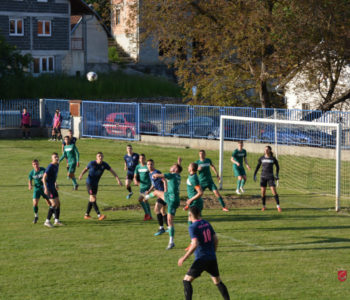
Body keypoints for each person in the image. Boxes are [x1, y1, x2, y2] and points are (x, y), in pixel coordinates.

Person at [178, 206, 230, 300]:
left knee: (186, 281)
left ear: (190, 215)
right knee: (217, 282)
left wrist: (184, 257)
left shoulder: (193, 227)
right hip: (211, 257)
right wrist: (213, 252)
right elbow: (216, 239)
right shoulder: (206, 223)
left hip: (201, 258)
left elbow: (194, 244)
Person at [147, 157, 182, 250]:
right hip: (176, 199)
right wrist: (179, 163)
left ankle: (171, 242)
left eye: (173, 166)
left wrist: (156, 175)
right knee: (169, 220)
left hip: (171, 198)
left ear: (175, 170)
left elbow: (161, 175)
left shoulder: (172, 175)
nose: (171, 167)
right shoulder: (178, 176)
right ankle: (170, 240)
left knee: (170, 221)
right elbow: (178, 170)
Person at [79, 152, 122, 220]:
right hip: (89, 183)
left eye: (101, 156)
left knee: (91, 199)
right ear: (96, 157)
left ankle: (86, 215)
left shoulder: (104, 165)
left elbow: (112, 171)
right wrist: (81, 175)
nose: (100, 157)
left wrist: (118, 180)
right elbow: (85, 169)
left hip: (96, 184)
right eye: (99, 156)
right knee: (93, 198)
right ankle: (99, 215)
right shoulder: (92, 163)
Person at [253, 145, 281, 212]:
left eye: (267, 149)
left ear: (270, 150)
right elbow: (257, 167)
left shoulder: (273, 159)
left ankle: (278, 206)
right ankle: (264, 206)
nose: (265, 150)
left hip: (270, 177)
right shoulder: (261, 158)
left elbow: (278, 167)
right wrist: (254, 174)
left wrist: (276, 175)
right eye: (265, 149)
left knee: (273, 191)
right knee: (263, 192)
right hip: (263, 177)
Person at [145, 159, 168, 236]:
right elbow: (153, 184)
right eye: (148, 164)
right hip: (158, 194)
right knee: (163, 211)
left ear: (153, 164)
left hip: (162, 194)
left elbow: (164, 181)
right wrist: (149, 190)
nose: (150, 166)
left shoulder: (157, 172)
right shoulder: (150, 174)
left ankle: (161, 228)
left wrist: (165, 191)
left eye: (151, 164)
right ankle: (169, 227)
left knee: (156, 209)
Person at [42, 153, 63, 227]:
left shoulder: (57, 165)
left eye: (57, 157)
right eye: (55, 157)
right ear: (52, 158)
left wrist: (55, 183)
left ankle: (56, 221)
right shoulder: (50, 166)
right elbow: (43, 178)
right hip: (48, 187)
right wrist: (45, 188)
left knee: (58, 203)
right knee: (53, 204)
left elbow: (53, 176)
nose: (56, 158)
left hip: (52, 186)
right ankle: (47, 221)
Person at [28, 159, 50, 224]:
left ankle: (54, 215)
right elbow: (30, 180)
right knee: (35, 203)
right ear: (32, 165)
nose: (36, 165)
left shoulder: (43, 170)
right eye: (34, 164)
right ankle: (36, 216)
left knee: (49, 202)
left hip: (44, 188)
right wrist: (30, 185)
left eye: (37, 164)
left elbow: (48, 176)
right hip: (37, 189)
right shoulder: (31, 172)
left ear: (38, 164)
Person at [134, 154, 152, 220]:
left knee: (140, 199)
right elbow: (135, 176)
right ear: (139, 159)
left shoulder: (147, 166)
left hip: (147, 186)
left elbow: (152, 174)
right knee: (145, 201)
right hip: (142, 186)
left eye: (143, 158)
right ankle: (150, 216)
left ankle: (147, 214)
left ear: (145, 159)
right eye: (140, 158)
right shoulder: (138, 167)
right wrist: (136, 181)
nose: (141, 159)